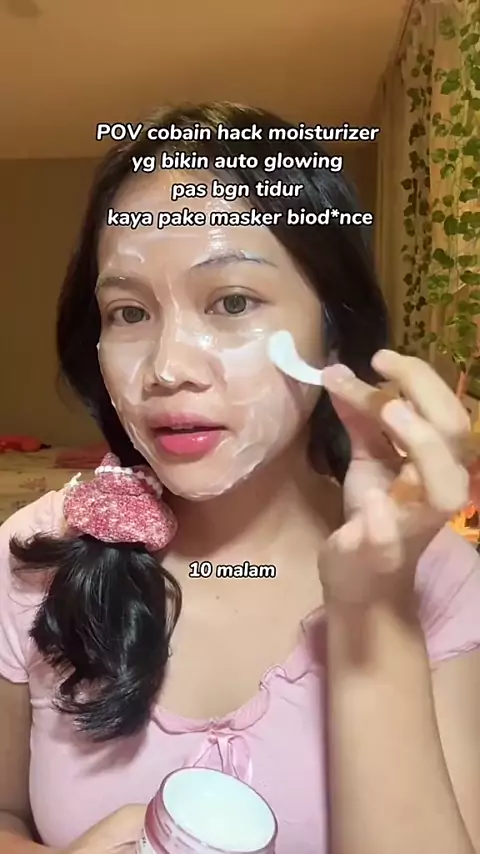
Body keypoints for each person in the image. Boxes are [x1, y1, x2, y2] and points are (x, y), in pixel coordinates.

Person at [0, 101, 479, 854]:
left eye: (231, 302)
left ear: (332, 332)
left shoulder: (438, 580)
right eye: (128, 312)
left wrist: (373, 605)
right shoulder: (34, 553)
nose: (167, 369)